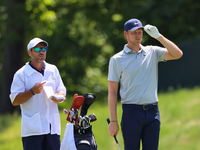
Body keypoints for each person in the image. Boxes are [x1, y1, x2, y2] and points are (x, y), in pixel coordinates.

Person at [107, 18, 183, 150]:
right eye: (134, 32)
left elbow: (178, 54)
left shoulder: (152, 52)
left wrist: (159, 37)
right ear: (126, 34)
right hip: (131, 113)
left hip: (153, 112)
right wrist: (113, 121)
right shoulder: (116, 60)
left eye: (140, 32)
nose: (138, 35)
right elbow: (112, 92)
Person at [9, 37, 67, 150]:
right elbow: (15, 100)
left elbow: (62, 90)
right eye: (37, 49)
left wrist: (59, 97)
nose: (41, 51)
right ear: (29, 52)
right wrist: (32, 92)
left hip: (53, 128)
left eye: (44, 49)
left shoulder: (53, 69)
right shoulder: (21, 74)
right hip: (32, 130)